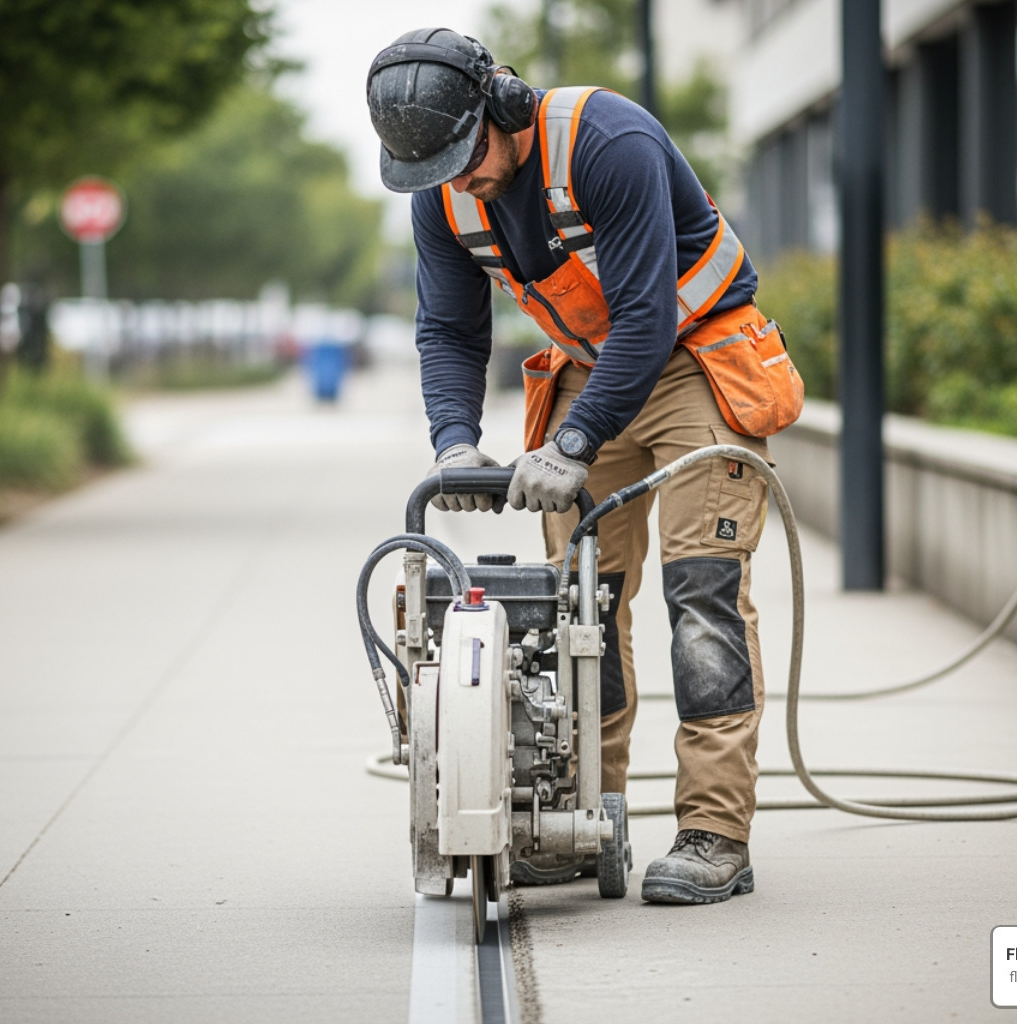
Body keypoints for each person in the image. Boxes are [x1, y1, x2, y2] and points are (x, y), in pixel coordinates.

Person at [367, 27, 803, 905]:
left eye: (468, 155)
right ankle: (582, 818)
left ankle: (715, 832)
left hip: (698, 364)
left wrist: (572, 443)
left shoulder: (609, 142)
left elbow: (646, 314)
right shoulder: (442, 198)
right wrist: (455, 440)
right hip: (591, 372)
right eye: (439, 169)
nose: (461, 179)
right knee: (580, 606)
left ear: (505, 105)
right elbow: (450, 330)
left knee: (703, 595)